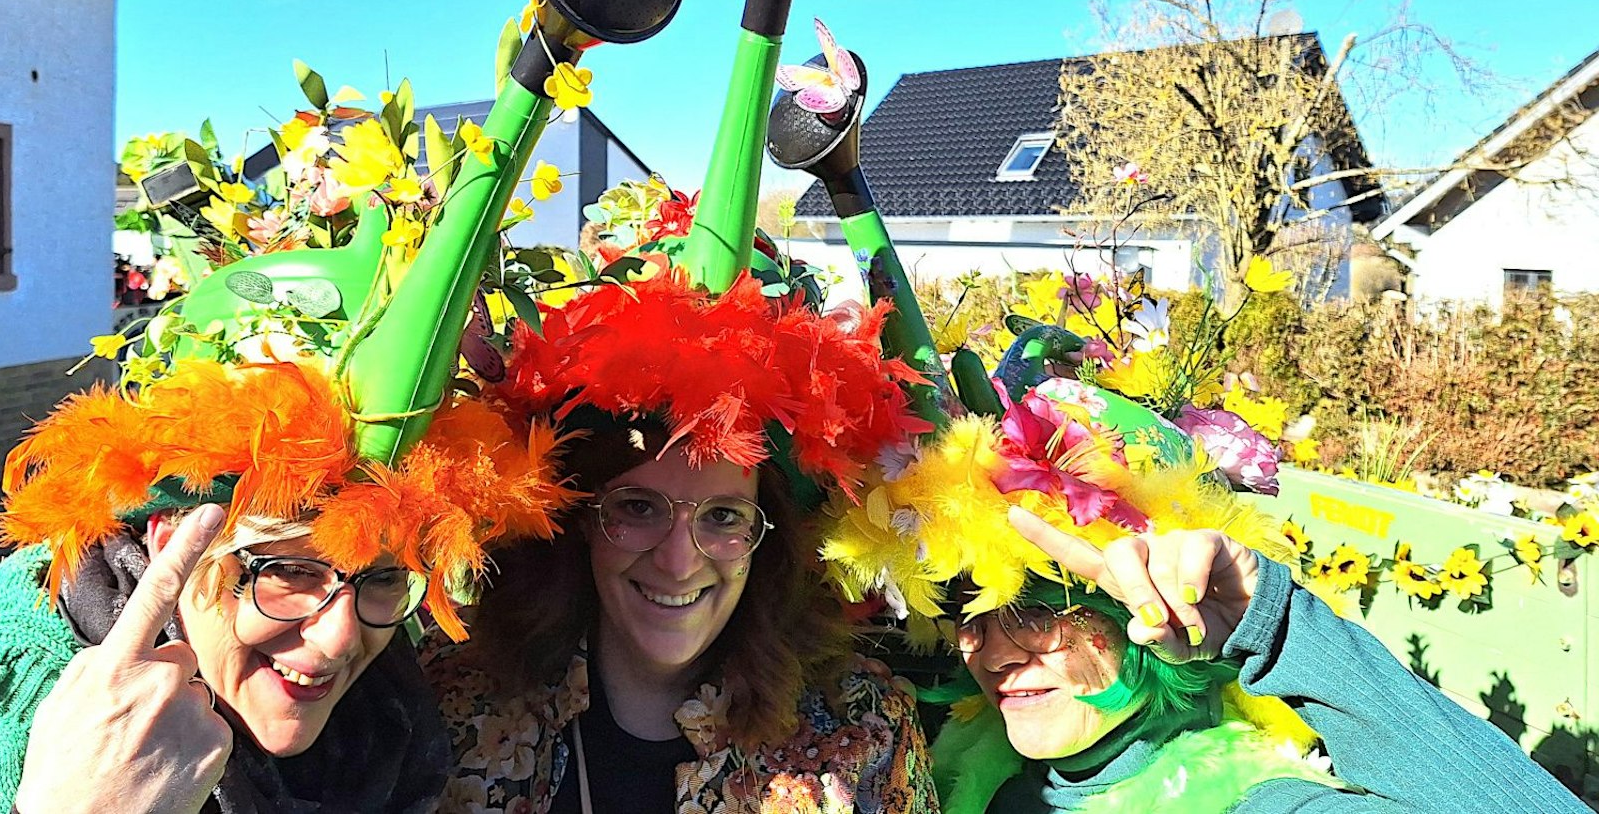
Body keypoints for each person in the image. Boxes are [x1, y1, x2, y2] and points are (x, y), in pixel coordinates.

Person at [0, 74, 575, 812]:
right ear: (174, 532)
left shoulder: (382, 725)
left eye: (383, 576)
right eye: (290, 571)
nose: (341, 635)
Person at [822, 374, 1586, 813]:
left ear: (1146, 603)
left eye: (1031, 606)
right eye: (966, 609)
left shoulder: (1249, 802)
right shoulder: (950, 767)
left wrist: (1272, 622)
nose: (988, 648)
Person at [424, 267, 937, 813]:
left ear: (765, 537)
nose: (677, 561)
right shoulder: (453, 699)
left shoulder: (862, 729)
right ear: (579, 518)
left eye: (723, 516)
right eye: (638, 508)